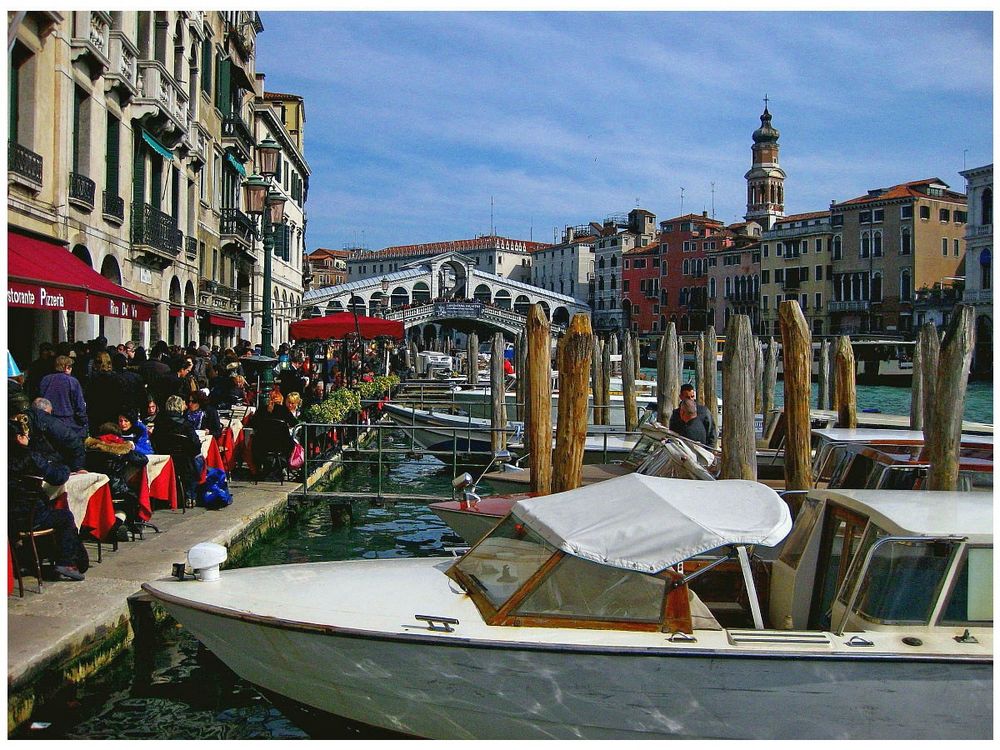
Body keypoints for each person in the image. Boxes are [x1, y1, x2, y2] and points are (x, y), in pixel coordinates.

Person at [8, 417, 89, 580]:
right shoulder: (29, 456)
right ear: (19, 438)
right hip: (29, 516)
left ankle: (26, 560)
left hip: (9, 519)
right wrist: (66, 468)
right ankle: (66, 562)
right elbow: (57, 477)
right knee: (65, 517)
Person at [84, 422, 148, 537]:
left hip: (95, 488)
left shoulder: (90, 448)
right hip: (116, 489)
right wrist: (129, 447)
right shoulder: (120, 446)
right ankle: (118, 525)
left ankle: (112, 525)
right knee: (132, 498)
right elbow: (143, 460)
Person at [151, 395, 204, 500]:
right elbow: (196, 444)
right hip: (184, 460)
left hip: (164, 458)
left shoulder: (159, 423)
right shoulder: (185, 425)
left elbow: (154, 440)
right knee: (199, 458)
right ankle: (191, 495)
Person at [24, 396, 87, 471]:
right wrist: (78, 467)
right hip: (53, 467)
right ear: (47, 410)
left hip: (30, 465)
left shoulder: (23, 419)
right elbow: (74, 441)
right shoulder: (52, 422)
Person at [38, 355, 88, 439]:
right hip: (68, 423)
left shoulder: (45, 379)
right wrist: (84, 421)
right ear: (67, 367)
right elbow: (79, 405)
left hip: (48, 421)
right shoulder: (72, 381)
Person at [85, 352, 125, 433]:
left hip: (96, 417)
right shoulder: (118, 380)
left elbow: (88, 399)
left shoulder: (93, 380)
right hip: (113, 416)